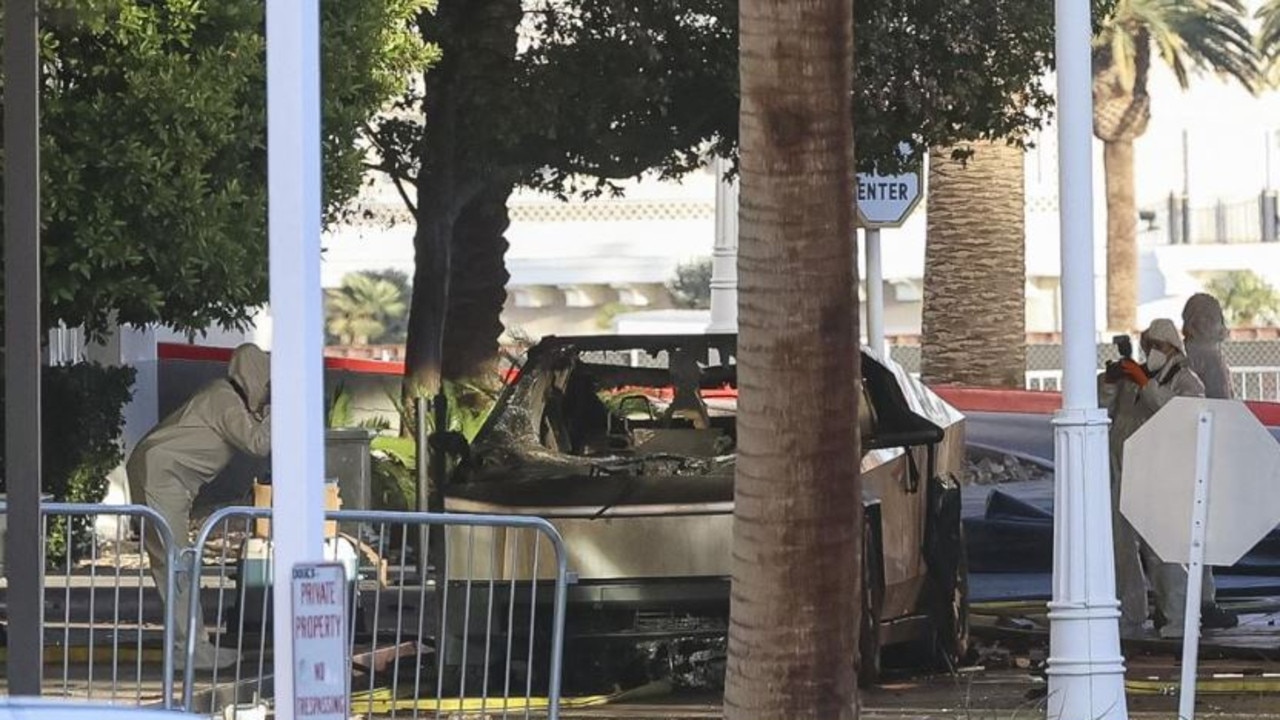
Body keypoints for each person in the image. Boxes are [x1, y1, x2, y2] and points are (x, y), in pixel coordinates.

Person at [126, 343, 271, 670]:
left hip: (161, 473)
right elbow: (258, 443)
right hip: (163, 476)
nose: (265, 390)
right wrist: (281, 409)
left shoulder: (223, 396)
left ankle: (189, 645)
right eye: (265, 382)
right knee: (176, 565)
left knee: (174, 563)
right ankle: (189, 649)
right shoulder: (225, 400)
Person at [1115, 319, 1236, 638]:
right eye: (1147, 345)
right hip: (1126, 471)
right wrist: (1111, 380)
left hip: (1164, 476)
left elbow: (1178, 415)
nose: (1151, 352)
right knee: (1123, 547)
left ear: (1171, 347)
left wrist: (1145, 383)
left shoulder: (1186, 381)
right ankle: (1131, 613)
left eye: (1157, 345)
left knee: (1165, 552)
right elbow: (1113, 412)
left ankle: (1180, 619)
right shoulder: (1136, 378)